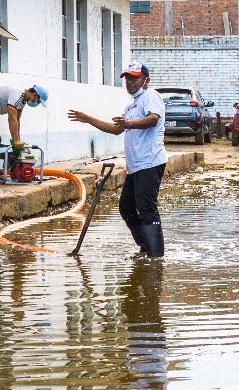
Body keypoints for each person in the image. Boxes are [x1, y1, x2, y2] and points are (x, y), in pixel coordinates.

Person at [68, 61, 167, 257]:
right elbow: (115, 130)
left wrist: (129, 123)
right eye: (127, 79)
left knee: (147, 209)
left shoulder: (150, 96)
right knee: (127, 207)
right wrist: (88, 119)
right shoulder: (131, 106)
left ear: (146, 80)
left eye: (135, 78)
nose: (130, 82)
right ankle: (145, 248)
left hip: (150, 162)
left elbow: (153, 119)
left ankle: (156, 257)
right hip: (136, 166)